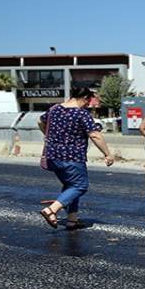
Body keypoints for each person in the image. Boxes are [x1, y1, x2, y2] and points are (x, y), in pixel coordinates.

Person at [38, 87, 114, 230]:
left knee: (70, 185)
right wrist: (107, 154)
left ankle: (72, 220)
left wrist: (51, 136)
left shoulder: (54, 109)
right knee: (80, 186)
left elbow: (40, 122)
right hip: (72, 157)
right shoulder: (81, 114)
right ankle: (51, 210)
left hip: (52, 156)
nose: (88, 105)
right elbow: (95, 135)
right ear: (84, 97)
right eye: (88, 102)